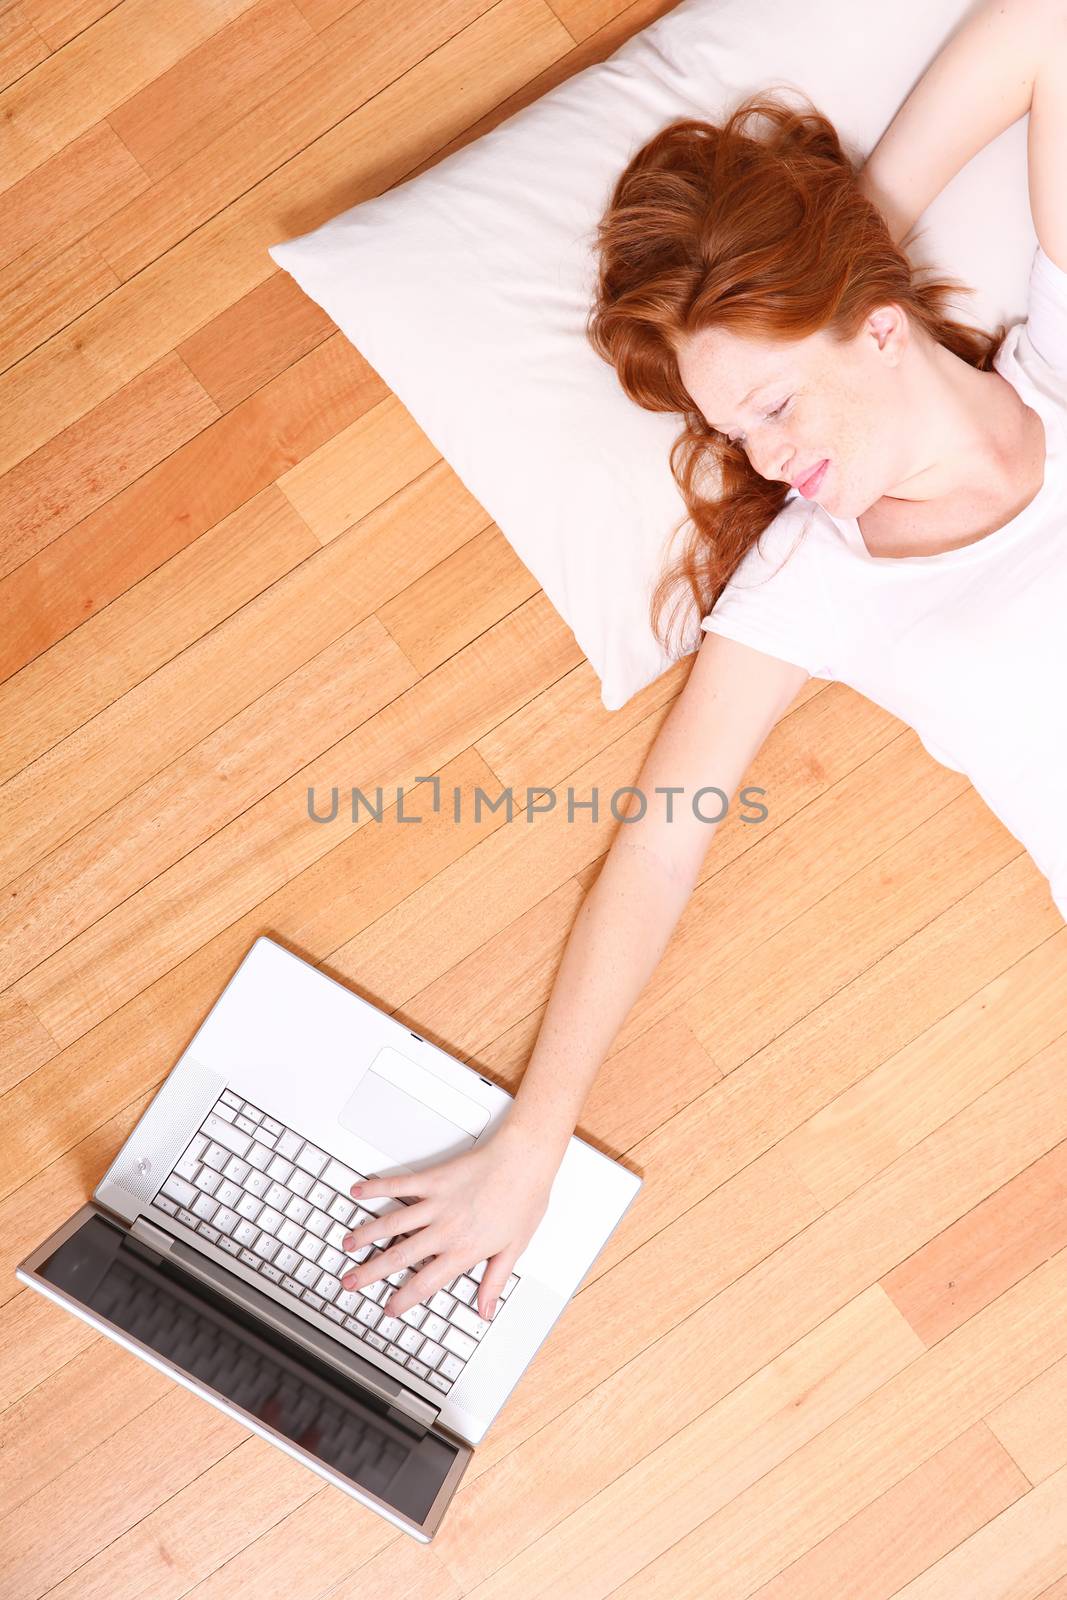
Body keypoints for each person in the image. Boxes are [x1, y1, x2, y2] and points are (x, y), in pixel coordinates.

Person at [337, 0, 1067, 1329]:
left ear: (881, 323)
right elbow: (663, 840)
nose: (772, 459)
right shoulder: (821, 576)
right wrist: (532, 1137)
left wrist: (859, 244)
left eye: (776, 401)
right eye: (738, 427)